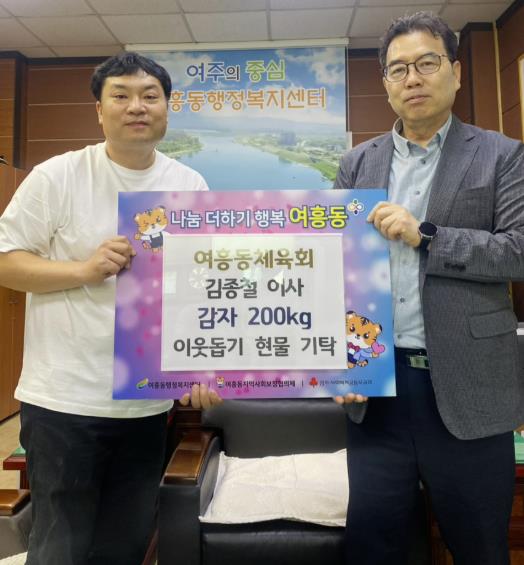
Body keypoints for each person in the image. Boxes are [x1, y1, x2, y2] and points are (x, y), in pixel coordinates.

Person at [0, 52, 221, 565]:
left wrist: (203, 366)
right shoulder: (58, 176)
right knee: (60, 546)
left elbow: (201, 289)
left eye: (150, 96)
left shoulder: (190, 185)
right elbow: (6, 262)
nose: (136, 106)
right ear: (99, 110)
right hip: (63, 399)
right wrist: (83, 269)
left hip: (146, 403)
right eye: (120, 96)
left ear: (168, 108)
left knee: (126, 542)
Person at [333, 12, 524, 565]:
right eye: (398, 69)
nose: (412, 78)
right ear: (385, 84)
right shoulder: (357, 164)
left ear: (456, 73)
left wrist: (428, 235)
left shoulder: (503, 154)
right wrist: (342, 362)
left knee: (480, 547)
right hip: (377, 389)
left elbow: (518, 250)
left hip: (468, 386)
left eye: (426, 63)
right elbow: (339, 271)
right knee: (377, 547)